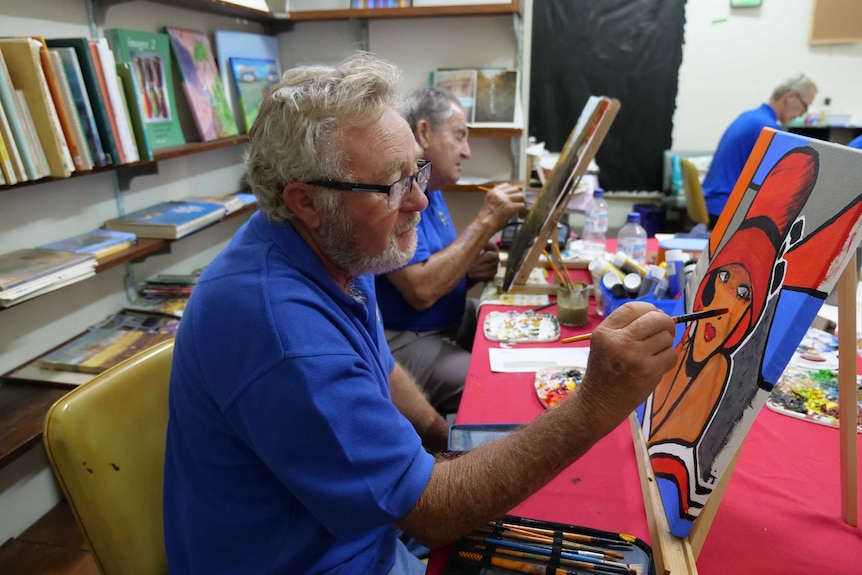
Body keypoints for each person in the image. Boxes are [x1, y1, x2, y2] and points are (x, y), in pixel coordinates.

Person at [163, 51, 678, 575]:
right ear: (306, 201)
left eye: (418, 172)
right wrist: (594, 404)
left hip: (358, 536)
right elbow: (432, 513)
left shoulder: (338, 243)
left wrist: (441, 435)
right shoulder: (283, 331)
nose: (419, 201)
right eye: (394, 184)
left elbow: (379, 364)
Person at [375, 87, 526, 413]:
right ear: (425, 132)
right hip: (408, 335)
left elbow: (437, 265)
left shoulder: (434, 188)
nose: (467, 152)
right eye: (460, 137)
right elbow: (421, 290)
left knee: (522, 337)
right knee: (496, 391)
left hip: (448, 320)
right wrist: (486, 220)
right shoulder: (402, 192)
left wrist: (467, 273)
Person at [701, 73, 817, 227]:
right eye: (805, 106)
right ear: (790, 97)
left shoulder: (748, 117)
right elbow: (778, 185)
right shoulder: (769, 129)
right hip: (726, 210)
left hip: (712, 203)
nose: (803, 114)